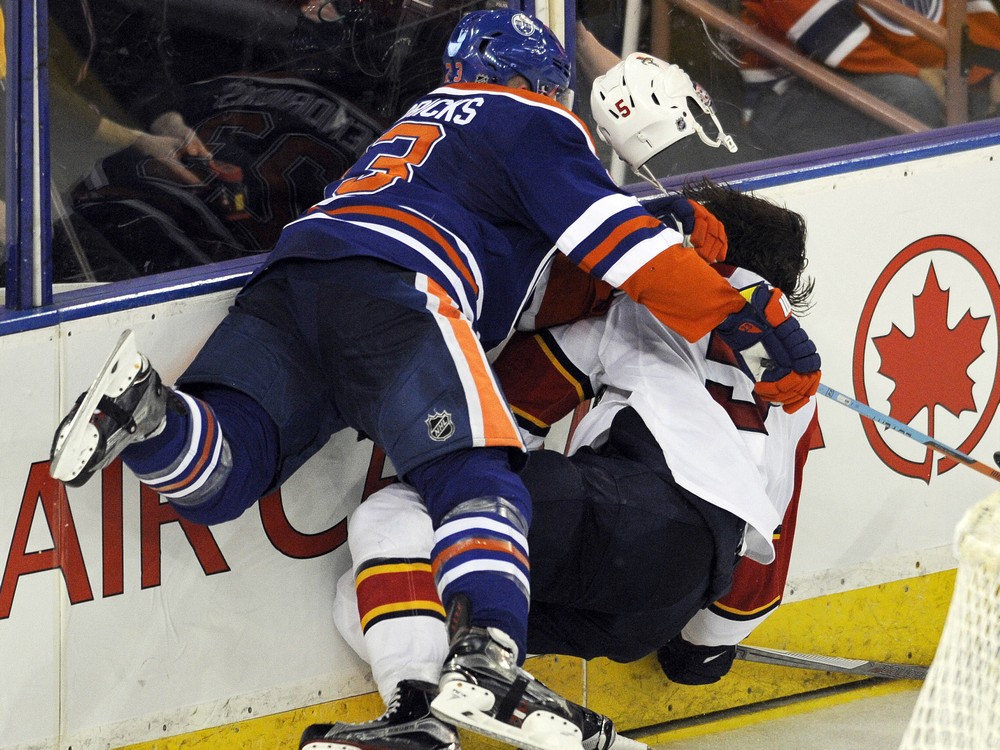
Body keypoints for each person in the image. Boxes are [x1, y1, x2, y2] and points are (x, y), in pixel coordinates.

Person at [48, 10, 820, 750]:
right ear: (538, 84)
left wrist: (688, 235)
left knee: (226, 469)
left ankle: (148, 414)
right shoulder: (528, 119)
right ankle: (491, 664)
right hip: (403, 287)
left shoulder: (406, 134)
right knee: (480, 475)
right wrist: (731, 314)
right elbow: (615, 239)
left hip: (297, 279)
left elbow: (536, 287)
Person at [302, 56, 819, 750]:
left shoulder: (644, 306)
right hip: (667, 597)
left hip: (633, 511)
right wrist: (704, 648)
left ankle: (435, 715)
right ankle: (471, 718)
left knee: (397, 514)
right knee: (378, 600)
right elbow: (770, 540)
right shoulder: (794, 384)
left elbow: (502, 416)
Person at [738, 0, 1000, 157]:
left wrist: (993, 71)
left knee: (973, 104)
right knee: (913, 99)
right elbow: (824, 31)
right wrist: (920, 74)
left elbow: (967, 24)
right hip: (782, 100)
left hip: (883, 79)